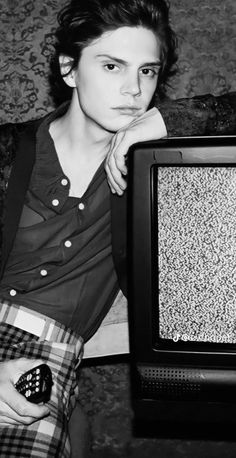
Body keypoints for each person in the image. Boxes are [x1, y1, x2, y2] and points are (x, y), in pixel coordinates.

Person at [0, 0, 235, 456]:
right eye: (112, 66)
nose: (133, 90)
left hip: (48, 354)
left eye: (147, 72)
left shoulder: (154, 167)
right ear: (69, 69)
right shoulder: (9, 151)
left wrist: (167, 119)